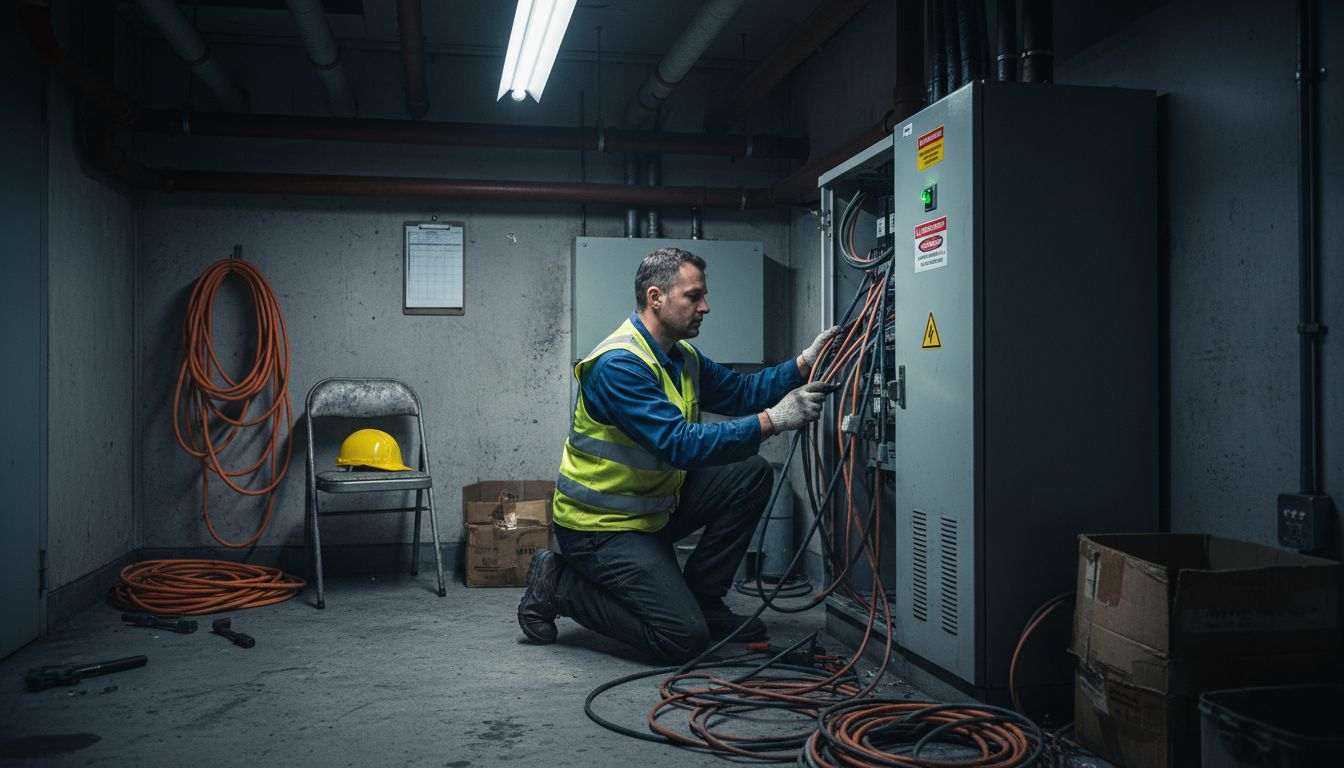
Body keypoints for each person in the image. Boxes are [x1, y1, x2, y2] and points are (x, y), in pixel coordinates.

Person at [517, 247, 841, 664]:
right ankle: (559, 583)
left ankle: (704, 599)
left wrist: (800, 365)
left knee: (749, 473)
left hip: (652, 512)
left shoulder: (679, 355)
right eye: (693, 296)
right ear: (656, 297)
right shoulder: (619, 366)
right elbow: (680, 443)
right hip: (602, 529)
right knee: (681, 638)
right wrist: (774, 420)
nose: (705, 306)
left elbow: (739, 392)